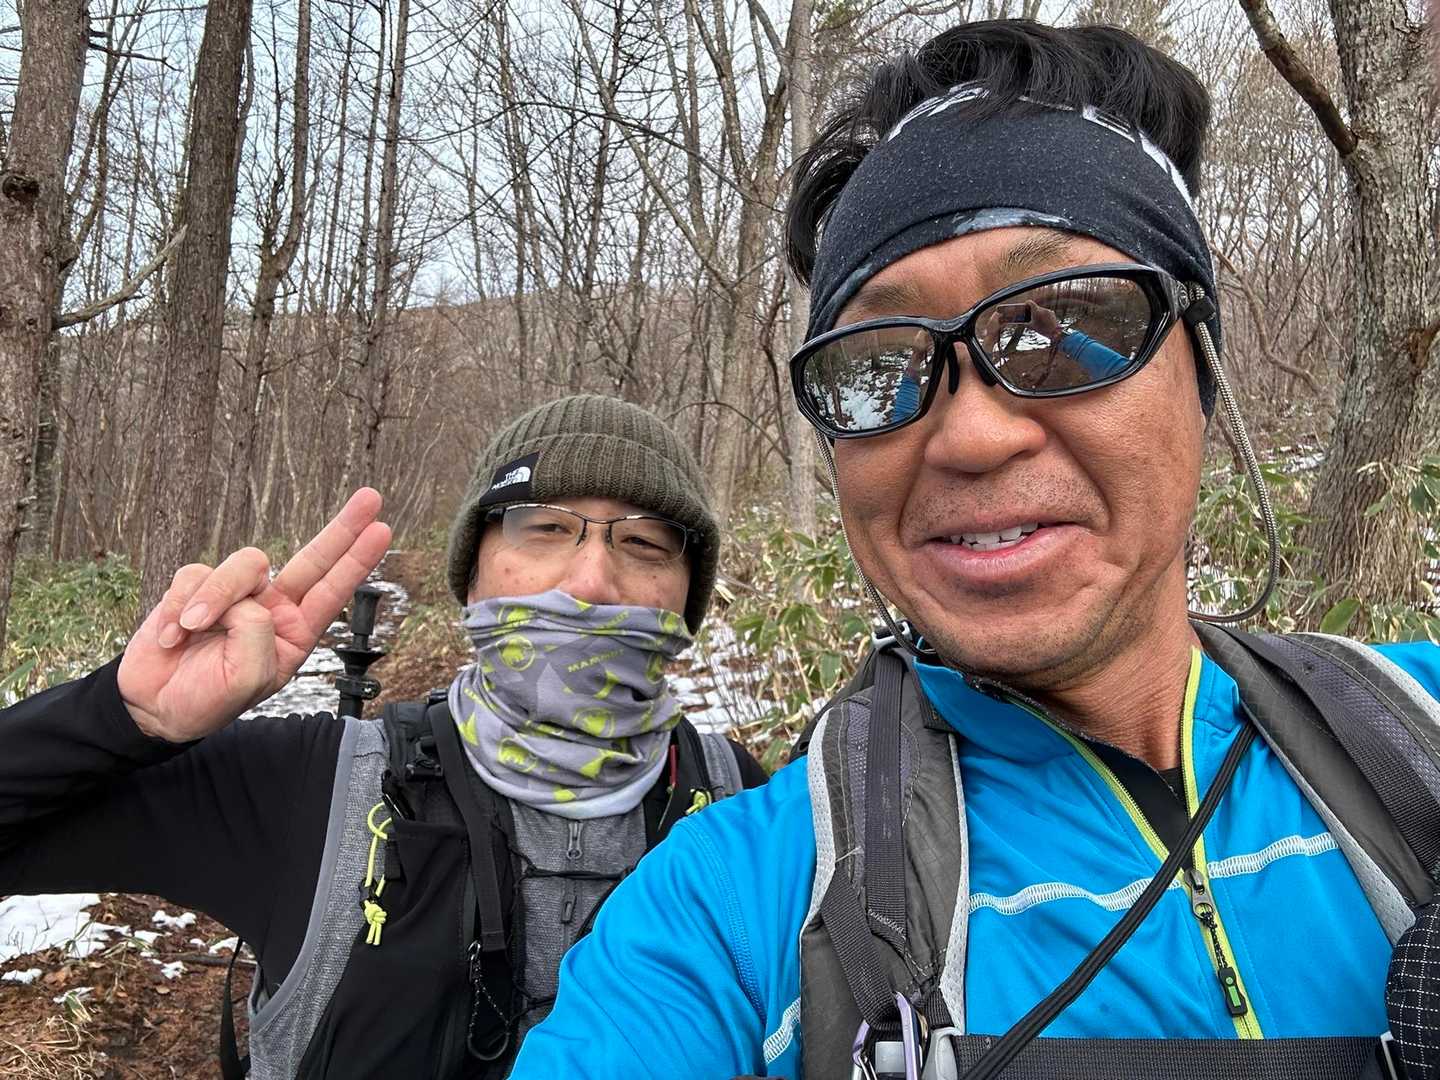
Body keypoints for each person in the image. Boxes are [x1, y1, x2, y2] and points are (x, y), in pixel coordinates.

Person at [511, 21, 1440, 1080]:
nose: (970, 435)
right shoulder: (735, 910)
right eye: (879, 365)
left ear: (1204, 370)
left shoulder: (1415, 731)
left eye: (1064, 326)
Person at [0, 394, 765, 1079]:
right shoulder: (313, 793)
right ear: (472, 576)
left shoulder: (745, 810)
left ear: (687, 598)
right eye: (545, 528)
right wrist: (126, 715)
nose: (591, 580)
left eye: (645, 544)